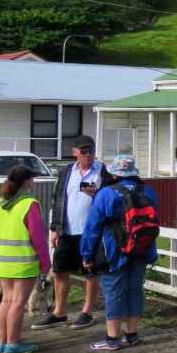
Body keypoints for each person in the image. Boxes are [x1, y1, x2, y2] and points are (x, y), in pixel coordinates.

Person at [81, 154, 158, 351]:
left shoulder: (106, 193)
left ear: (114, 173)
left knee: (114, 291)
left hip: (114, 251)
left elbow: (92, 227)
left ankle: (111, 339)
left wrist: (87, 255)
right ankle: (131, 335)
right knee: (134, 290)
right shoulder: (148, 191)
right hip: (142, 248)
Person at [34, 134, 111, 330]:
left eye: (91, 151)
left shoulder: (102, 171)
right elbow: (57, 200)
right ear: (74, 152)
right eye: (83, 151)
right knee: (59, 270)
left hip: (91, 232)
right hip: (66, 230)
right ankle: (59, 312)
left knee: (90, 272)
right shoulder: (66, 171)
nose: (88, 155)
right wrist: (54, 228)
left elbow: (111, 199)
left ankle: (87, 312)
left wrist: (97, 195)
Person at [0, 165, 52, 353]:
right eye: (31, 178)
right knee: (18, 303)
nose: (33, 181)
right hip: (23, 262)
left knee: (6, 301)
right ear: (26, 181)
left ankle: (1, 344)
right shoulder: (29, 204)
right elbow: (38, 237)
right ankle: (13, 344)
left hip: (2, 261)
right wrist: (45, 263)